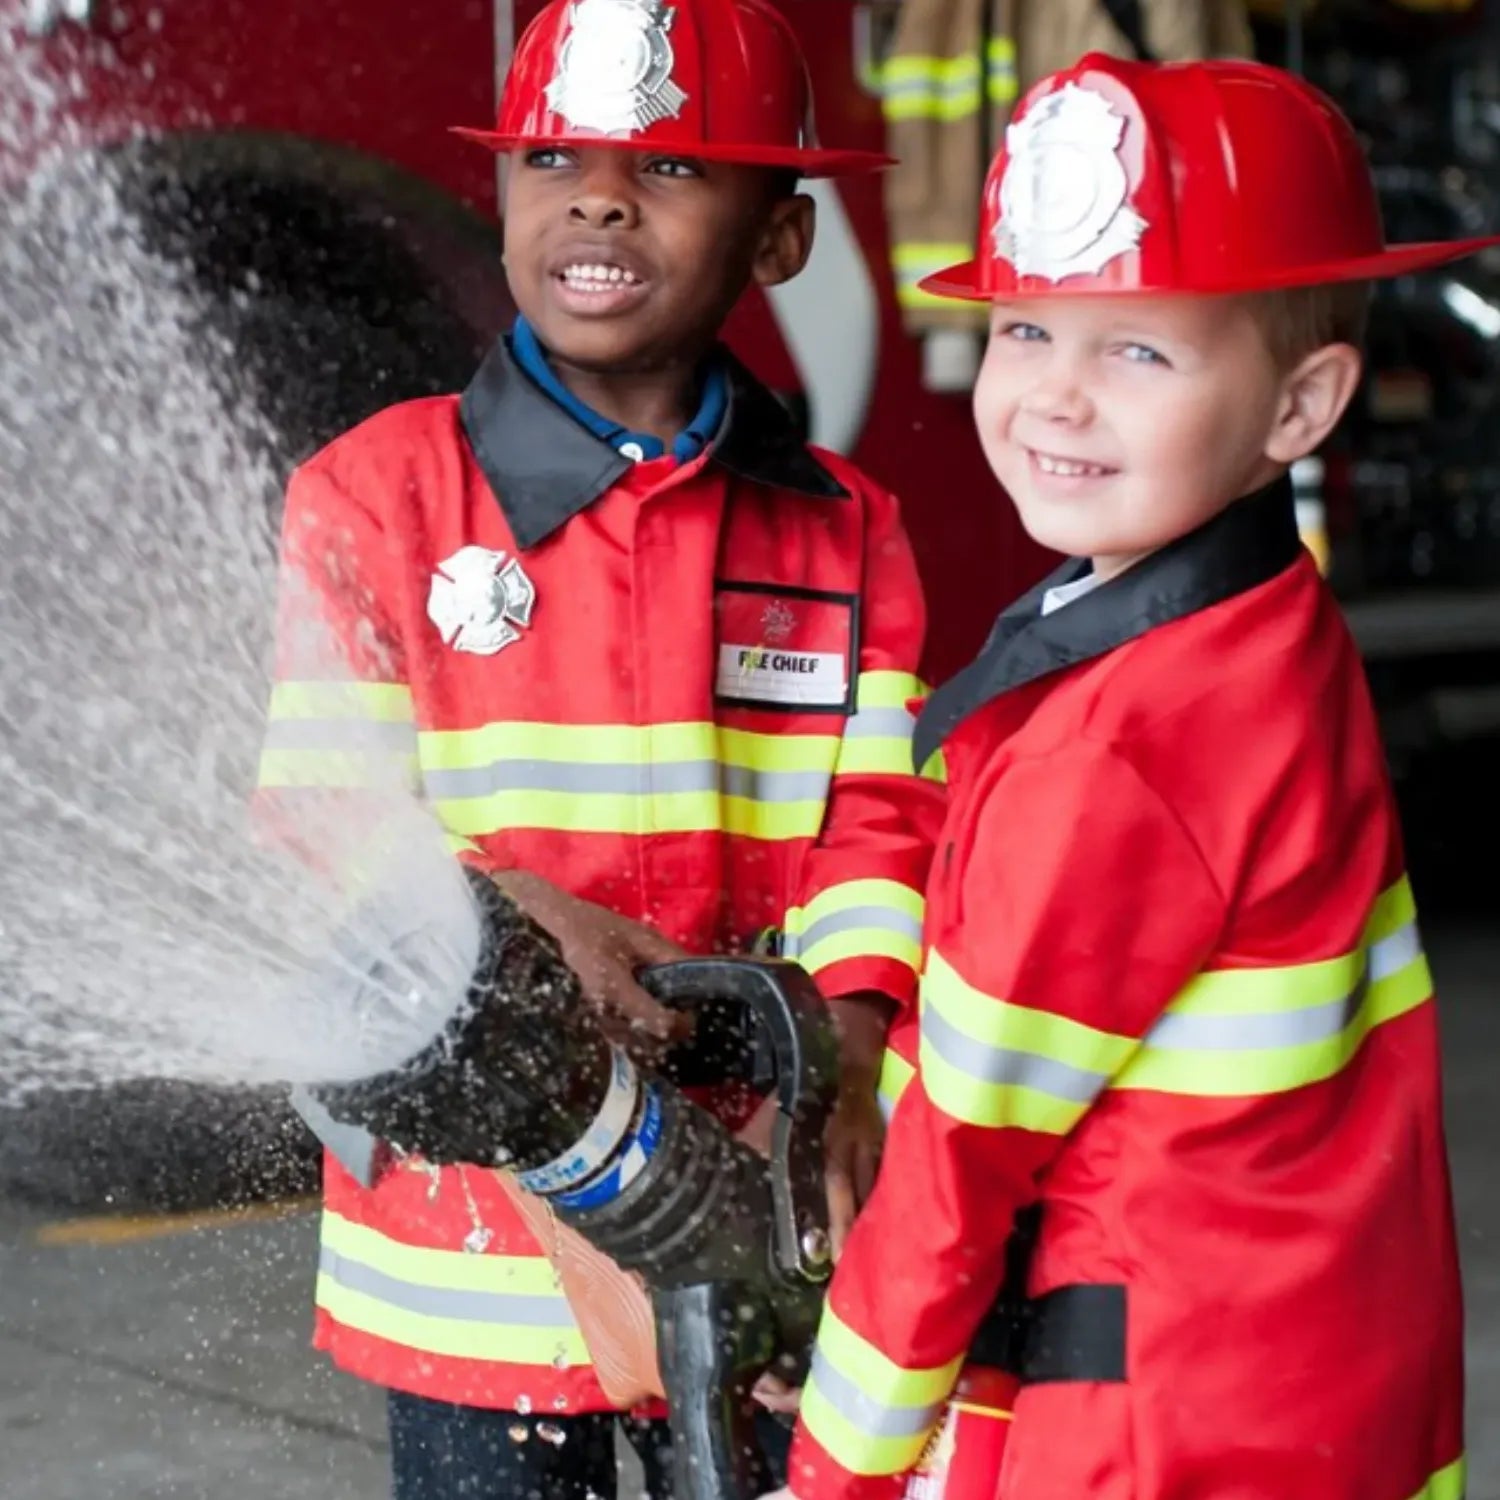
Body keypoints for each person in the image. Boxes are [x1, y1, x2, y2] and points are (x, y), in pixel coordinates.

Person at [254, 1, 945, 1495]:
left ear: (781, 239)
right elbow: (320, 823)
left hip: (759, 1214)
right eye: (551, 153)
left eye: (676, 166)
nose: (599, 197)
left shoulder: (846, 531)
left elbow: (881, 824)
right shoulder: (371, 500)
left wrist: (854, 1044)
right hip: (473, 1261)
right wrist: (508, 926)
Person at [770, 51, 1475, 1500]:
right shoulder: (1263, 626)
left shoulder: (1120, 747)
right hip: (1315, 1389)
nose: (1053, 399)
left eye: (1138, 351)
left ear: (1303, 406)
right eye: (1026, 328)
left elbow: (964, 1169)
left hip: (1149, 1437)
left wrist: (835, 1466)